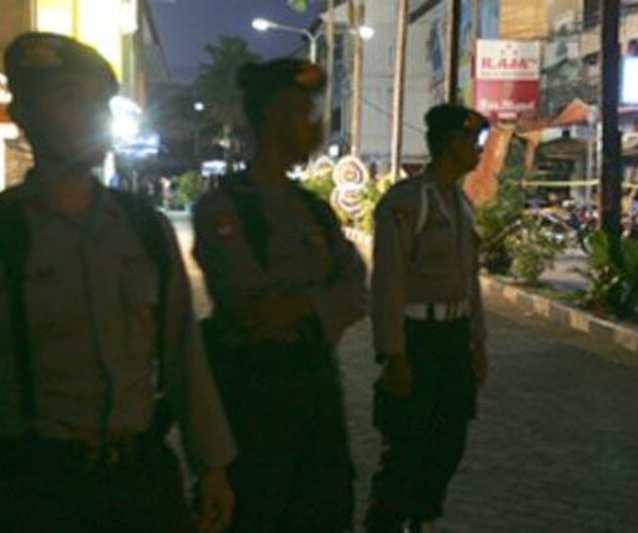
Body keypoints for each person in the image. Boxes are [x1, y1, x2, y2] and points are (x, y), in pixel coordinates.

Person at [0, 32, 236, 533]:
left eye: (99, 101)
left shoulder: (145, 230)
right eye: (69, 98)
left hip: (137, 479)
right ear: (24, 113)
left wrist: (213, 465)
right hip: (31, 490)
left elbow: (185, 357)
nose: (93, 115)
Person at [192, 58, 367, 532]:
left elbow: (356, 289)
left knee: (325, 513)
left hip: (316, 391)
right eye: (302, 110)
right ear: (272, 115)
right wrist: (318, 301)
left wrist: (300, 306)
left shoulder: (312, 210)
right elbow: (248, 305)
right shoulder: (224, 209)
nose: (314, 122)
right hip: (254, 397)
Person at [365, 104, 490, 533]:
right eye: (471, 142)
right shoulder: (407, 201)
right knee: (405, 450)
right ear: (449, 143)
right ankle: (385, 524)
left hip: (453, 338)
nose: (477, 151)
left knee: (448, 444)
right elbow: (387, 283)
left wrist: (478, 344)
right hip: (417, 340)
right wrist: (393, 354)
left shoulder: (461, 203)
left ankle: (424, 520)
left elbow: (470, 283)